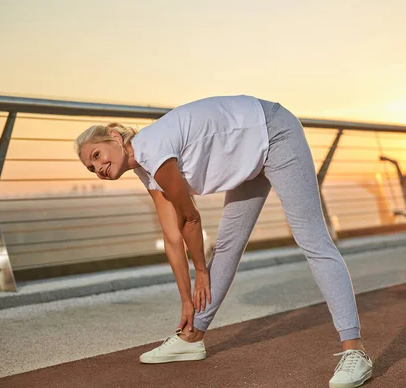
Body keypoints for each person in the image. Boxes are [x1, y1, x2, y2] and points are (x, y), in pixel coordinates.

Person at [75, 95, 373, 388]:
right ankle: (191, 337)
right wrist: (185, 300)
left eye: (97, 156)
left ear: (114, 137)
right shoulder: (146, 170)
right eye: (91, 168)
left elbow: (190, 218)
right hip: (248, 155)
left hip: (274, 131)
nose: (98, 168)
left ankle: (354, 351)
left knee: (312, 239)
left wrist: (201, 272)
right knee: (228, 246)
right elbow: (172, 238)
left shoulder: (152, 148)